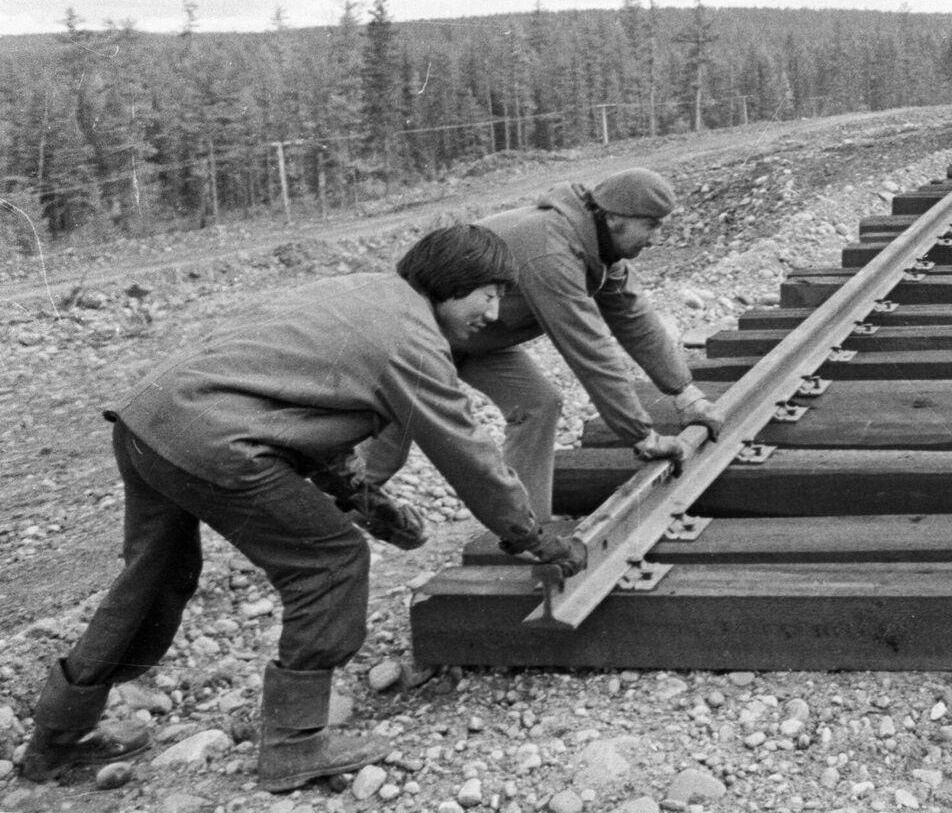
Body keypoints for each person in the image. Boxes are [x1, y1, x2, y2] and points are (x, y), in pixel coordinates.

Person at [18, 225, 585, 793]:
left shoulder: (365, 294)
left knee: (153, 576)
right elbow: (469, 455)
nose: (495, 310)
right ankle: (294, 744)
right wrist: (532, 535)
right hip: (213, 441)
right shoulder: (413, 342)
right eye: (487, 293)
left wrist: (368, 501)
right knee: (330, 563)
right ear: (450, 283)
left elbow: (298, 417)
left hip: (149, 420)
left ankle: (55, 739)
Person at [363, 168, 723, 521]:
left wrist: (685, 393)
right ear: (615, 218)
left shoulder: (597, 248)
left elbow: (634, 317)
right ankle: (323, 515)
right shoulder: (553, 251)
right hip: (420, 334)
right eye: (651, 225)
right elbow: (589, 349)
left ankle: (524, 525)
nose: (656, 237)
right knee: (384, 450)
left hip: (477, 336)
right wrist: (641, 435)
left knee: (539, 403)